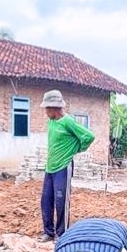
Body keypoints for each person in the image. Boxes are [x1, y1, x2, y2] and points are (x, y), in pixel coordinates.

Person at [39, 89, 95, 242]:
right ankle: (48, 232)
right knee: (46, 200)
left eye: (46, 108)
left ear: (54, 108)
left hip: (63, 167)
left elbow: (88, 136)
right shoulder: (51, 121)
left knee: (61, 201)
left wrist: (76, 149)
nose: (45, 111)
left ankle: (61, 234)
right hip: (50, 167)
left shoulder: (68, 121)